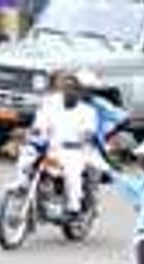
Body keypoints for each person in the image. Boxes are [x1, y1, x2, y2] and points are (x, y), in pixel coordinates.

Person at [29, 71, 97, 219]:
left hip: (75, 151)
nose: (68, 92)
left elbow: (88, 131)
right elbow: (41, 121)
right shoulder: (52, 104)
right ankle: (24, 188)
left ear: (79, 92)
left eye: (72, 89)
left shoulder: (87, 111)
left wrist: (86, 137)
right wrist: (36, 130)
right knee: (28, 159)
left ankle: (74, 208)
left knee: (72, 173)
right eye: (65, 88)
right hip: (51, 148)